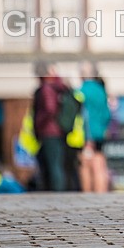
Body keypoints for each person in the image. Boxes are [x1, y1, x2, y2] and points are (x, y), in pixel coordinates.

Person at [32, 61, 70, 192]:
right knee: (56, 164)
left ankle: (56, 192)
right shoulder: (59, 87)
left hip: (49, 131)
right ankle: (56, 190)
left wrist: (38, 122)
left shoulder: (46, 89)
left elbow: (49, 109)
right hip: (58, 130)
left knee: (54, 165)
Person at [77, 62, 111, 193]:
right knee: (100, 164)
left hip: (85, 135)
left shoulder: (80, 92)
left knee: (85, 165)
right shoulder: (101, 91)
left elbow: (82, 116)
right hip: (100, 133)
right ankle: (101, 193)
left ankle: (88, 195)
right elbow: (107, 114)